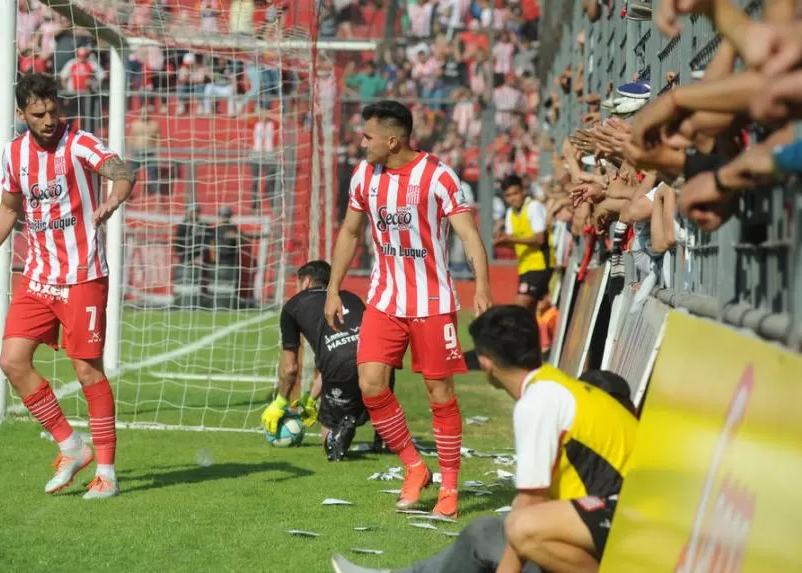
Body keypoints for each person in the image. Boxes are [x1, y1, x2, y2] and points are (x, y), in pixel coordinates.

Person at [331, 305, 638, 573]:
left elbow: (529, 509)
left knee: (518, 529)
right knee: (482, 533)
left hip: (626, 528)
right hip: (617, 520)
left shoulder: (539, 401)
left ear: (487, 362)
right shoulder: (555, 385)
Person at [324, 100, 493, 519]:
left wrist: (483, 288)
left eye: (367, 136)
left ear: (392, 140)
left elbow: (470, 236)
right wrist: (332, 288)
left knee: (440, 393)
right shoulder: (364, 176)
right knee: (370, 383)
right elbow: (349, 231)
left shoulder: (438, 176)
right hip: (385, 299)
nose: (361, 142)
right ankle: (415, 468)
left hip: (433, 304)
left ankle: (450, 488)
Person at [0, 72, 137, 499]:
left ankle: (107, 473)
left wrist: (115, 196)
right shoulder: (13, 155)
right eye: (38, 113)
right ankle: (70, 446)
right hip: (40, 276)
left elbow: (120, 170)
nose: (48, 120)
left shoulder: (79, 142)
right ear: (22, 112)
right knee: (12, 361)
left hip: (83, 274)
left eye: (53, 110)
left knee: (86, 369)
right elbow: (9, 210)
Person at [262, 260, 392, 461]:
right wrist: (312, 398)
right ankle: (383, 435)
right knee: (376, 392)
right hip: (378, 359)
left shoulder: (293, 306)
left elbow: (290, 368)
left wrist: (279, 404)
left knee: (329, 442)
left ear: (305, 282)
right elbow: (346, 348)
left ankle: (337, 435)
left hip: (340, 365)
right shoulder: (351, 298)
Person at [494, 175, 552, 312]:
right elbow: (513, 243)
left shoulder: (533, 207)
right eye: (508, 195)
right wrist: (501, 243)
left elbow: (539, 239)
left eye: (515, 193)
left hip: (540, 265)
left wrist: (510, 239)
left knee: (518, 309)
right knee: (532, 312)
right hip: (525, 266)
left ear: (523, 191)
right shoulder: (510, 213)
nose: (513, 198)